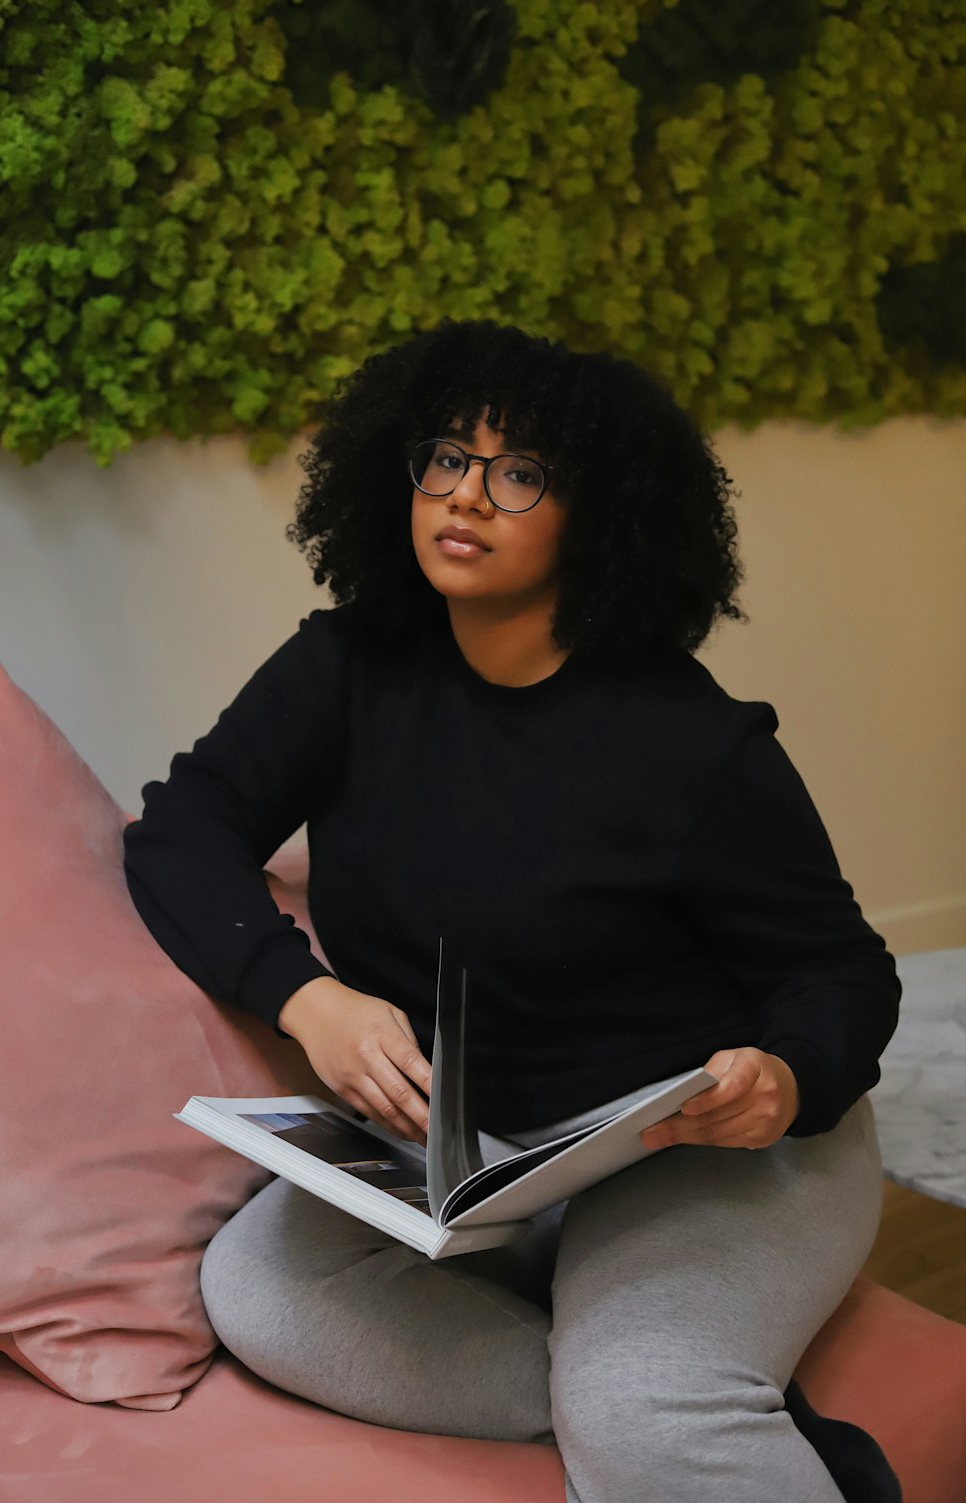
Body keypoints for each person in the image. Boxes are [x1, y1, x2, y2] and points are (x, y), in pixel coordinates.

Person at [123, 319, 902, 1503]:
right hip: (479, 1154)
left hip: (690, 1144)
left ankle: (658, 1412)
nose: (467, 496)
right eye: (446, 457)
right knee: (259, 1292)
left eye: (520, 472)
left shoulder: (693, 743)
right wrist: (304, 995)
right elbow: (183, 828)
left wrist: (783, 1080)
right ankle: (671, 1414)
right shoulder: (345, 668)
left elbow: (842, 976)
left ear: (601, 514)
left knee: (634, 1401)